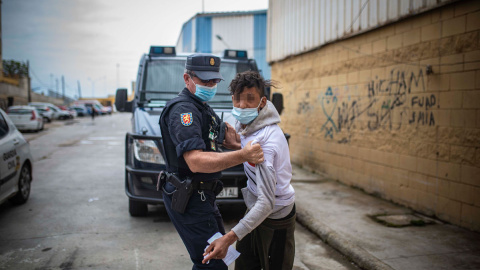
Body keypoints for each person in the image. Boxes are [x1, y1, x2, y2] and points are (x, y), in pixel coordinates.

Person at [159, 54, 264, 270]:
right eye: (204, 81)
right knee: (211, 263)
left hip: (203, 196)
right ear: (187, 78)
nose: (210, 85)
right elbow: (195, 161)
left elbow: (230, 138)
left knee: (220, 256)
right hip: (190, 198)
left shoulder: (203, 107)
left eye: (214, 81)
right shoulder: (184, 111)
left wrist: (261, 143)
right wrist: (244, 155)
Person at [202, 71, 296, 270]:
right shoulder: (245, 122)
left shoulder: (266, 144)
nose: (242, 105)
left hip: (276, 216)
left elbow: (267, 203)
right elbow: (243, 141)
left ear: (262, 103)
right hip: (254, 207)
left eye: (250, 99)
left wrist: (228, 238)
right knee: (244, 264)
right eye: (237, 99)